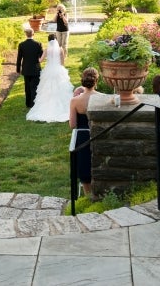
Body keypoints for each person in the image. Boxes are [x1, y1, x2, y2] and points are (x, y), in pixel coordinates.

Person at [26, 34, 73, 122]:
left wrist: (34, 56)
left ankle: (46, 107)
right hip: (58, 70)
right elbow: (62, 62)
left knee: (47, 89)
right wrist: (61, 69)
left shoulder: (47, 50)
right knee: (61, 88)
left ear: (48, 41)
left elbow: (40, 60)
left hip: (49, 70)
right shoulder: (60, 49)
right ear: (56, 40)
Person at [69, 68, 99, 200]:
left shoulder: (75, 101)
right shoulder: (102, 98)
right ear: (96, 81)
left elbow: (73, 124)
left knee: (84, 166)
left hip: (82, 137)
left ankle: (88, 197)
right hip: (98, 135)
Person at [16, 27, 44, 109]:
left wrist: (18, 69)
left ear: (26, 34)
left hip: (26, 69)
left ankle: (28, 103)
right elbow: (41, 56)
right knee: (35, 86)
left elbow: (19, 58)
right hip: (36, 68)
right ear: (33, 34)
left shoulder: (21, 45)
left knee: (27, 87)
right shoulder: (38, 44)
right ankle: (34, 103)